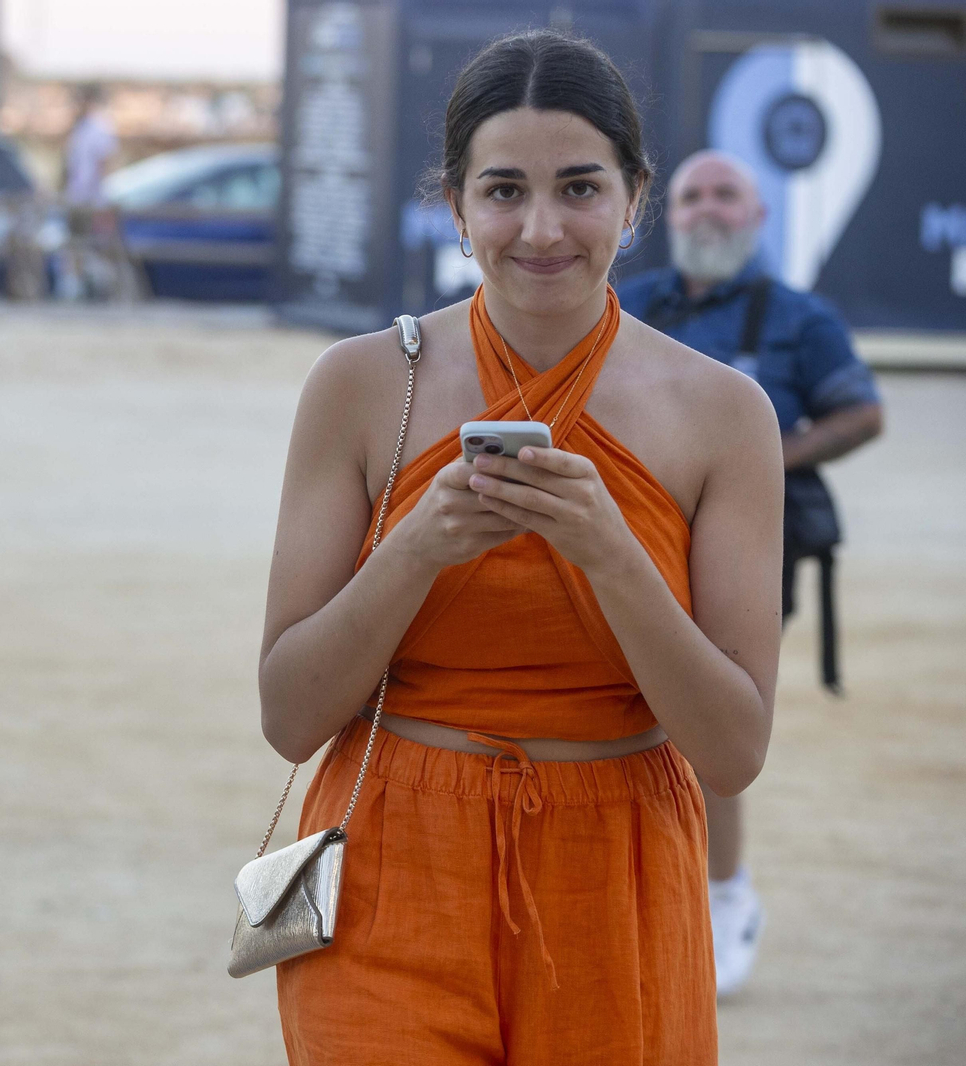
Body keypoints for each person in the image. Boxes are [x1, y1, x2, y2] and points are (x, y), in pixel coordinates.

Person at [260, 30, 782, 1064]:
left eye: (580, 187)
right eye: (503, 191)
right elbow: (288, 716)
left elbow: (732, 750)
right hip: (391, 868)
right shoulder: (363, 384)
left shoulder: (722, 414)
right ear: (455, 207)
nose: (542, 229)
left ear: (635, 200)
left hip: (616, 875)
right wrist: (416, 547)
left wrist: (611, 553)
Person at [618, 149, 883, 997]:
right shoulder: (627, 302)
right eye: (691, 195)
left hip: (740, 555)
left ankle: (725, 895)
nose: (707, 209)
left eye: (726, 195)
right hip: (624, 547)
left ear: (759, 215)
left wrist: (755, 460)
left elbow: (862, 413)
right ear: (666, 214)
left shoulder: (801, 318)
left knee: (704, 726)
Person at [57, 83, 121, 299]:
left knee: (95, 246)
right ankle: (75, 289)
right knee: (75, 244)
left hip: (91, 199)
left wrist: (97, 195)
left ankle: (103, 290)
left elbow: (104, 163)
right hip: (76, 197)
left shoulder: (100, 128)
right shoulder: (79, 129)